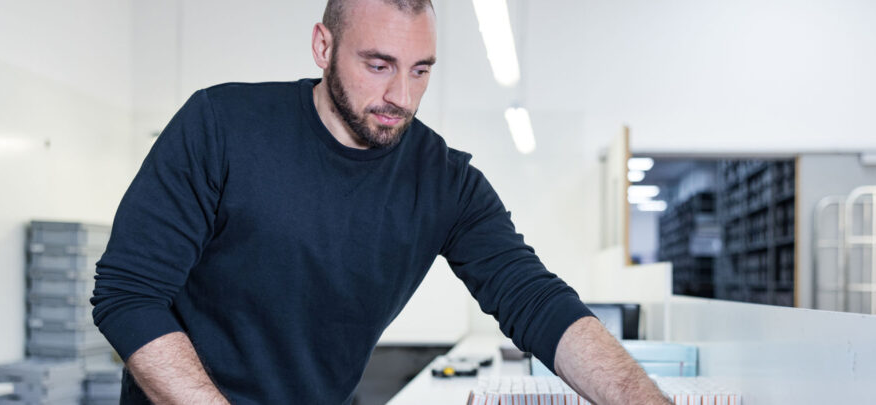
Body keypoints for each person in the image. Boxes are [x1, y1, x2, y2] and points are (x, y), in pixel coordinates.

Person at [91, 0, 672, 403]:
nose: (401, 95)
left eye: (421, 71)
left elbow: (538, 304)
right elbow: (127, 294)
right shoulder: (221, 125)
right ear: (324, 45)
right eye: (378, 65)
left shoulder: (445, 183)